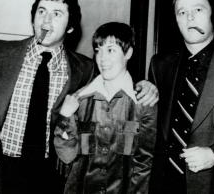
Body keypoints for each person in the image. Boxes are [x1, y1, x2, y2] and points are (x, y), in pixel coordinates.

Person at [0, 0, 158, 194]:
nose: (46, 21)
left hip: (51, 174)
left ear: (71, 27)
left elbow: (113, 75)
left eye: (56, 14)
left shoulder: (83, 68)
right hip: (1, 169)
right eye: (41, 12)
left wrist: (144, 84)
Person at [148, 0, 214, 194]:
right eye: (181, 12)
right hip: (165, 184)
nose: (189, 17)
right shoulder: (160, 65)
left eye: (198, 9)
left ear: (212, 14)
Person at [54, 22, 157, 194]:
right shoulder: (80, 99)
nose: (102, 58)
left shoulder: (144, 102)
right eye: (98, 50)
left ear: (128, 53)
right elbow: (67, 155)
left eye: (110, 50)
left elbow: (143, 164)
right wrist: (64, 117)